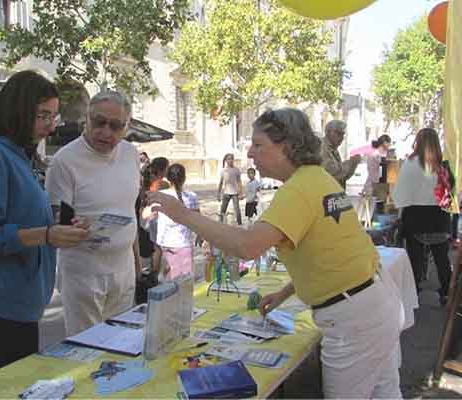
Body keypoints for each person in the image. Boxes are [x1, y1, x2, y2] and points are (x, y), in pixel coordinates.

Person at [148, 108, 404, 399]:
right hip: (374, 302)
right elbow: (330, 251)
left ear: (286, 147)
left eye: (258, 145)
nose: (250, 152)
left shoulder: (297, 190)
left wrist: (183, 215)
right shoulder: (317, 178)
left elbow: (247, 245)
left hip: (354, 320)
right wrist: (285, 293)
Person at [0, 70, 89, 372]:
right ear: (18, 110)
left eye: (53, 116)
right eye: (43, 115)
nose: (51, 126)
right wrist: (46, 234)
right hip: (2, 311)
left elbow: (18, 216)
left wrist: (59, 223)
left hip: (21, 310)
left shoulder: (18, 156)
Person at [45, 90, 142, 336]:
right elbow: (56, 218)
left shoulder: (131, 155)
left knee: (120, 342)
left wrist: (137, 262)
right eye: (99, 122)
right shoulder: (64, 161)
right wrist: (70, 224)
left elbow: (130, 210)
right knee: (88, 346)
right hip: (83, 273)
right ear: (86, 119)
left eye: (116, 126)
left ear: (126, 127)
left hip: (124, 269)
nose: (106, 132)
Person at [392, 128, 452, 304]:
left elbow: (402, 193)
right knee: (442, 259)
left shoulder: (411, 163)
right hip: (439, 217)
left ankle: (413, 294)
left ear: (418, 141)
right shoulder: (443, 164)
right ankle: (447, 292)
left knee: (414, 260)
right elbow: (450, 193)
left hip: (415, 217)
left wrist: (399, 213)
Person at [156, 163, 199, 280]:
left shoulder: (161, 195)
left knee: (170, 280)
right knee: (185, 280)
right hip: (183, 243)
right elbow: (198, 219)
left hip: (166, 243)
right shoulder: (191, 196)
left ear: (168, 178)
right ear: (184, 178)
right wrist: (200, 235)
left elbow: (147, 215)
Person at [321, 120, 362, 188]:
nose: (342, 138)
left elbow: (343, 177)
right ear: (328, 132)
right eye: (338, 134)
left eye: (343, 134)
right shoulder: (322, 147)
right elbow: (333, 173)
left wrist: (353, 164)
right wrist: (351, 162)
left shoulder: (333, 149)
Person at [217, 153, 243, 225]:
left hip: (235, 193)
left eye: (232, 158)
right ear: (226, 160)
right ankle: (220, 224)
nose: (230, 160)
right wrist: (218, 194)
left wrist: (241, 193)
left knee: (237, 210)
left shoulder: (236, 170)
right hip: (226, 193)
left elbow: (239, 182)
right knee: (223, 210)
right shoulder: (223, 170)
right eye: (229, 159)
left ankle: (240, 224)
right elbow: (221, 183)